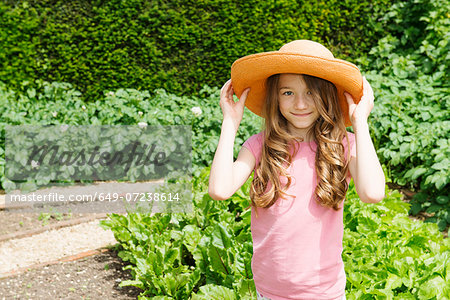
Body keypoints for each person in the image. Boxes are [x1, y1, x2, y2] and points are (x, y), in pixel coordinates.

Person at [208, 40, 385, 300]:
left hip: (325, 293)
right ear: (275, 97)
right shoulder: (260, 145)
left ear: (327, 95)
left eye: (311, 93)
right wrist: (230, 123)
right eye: (288, 93)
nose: (300, 104)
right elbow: (219, 189)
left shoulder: (344, 145)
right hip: (269, 292)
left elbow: (372, 192)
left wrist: (360, 123)